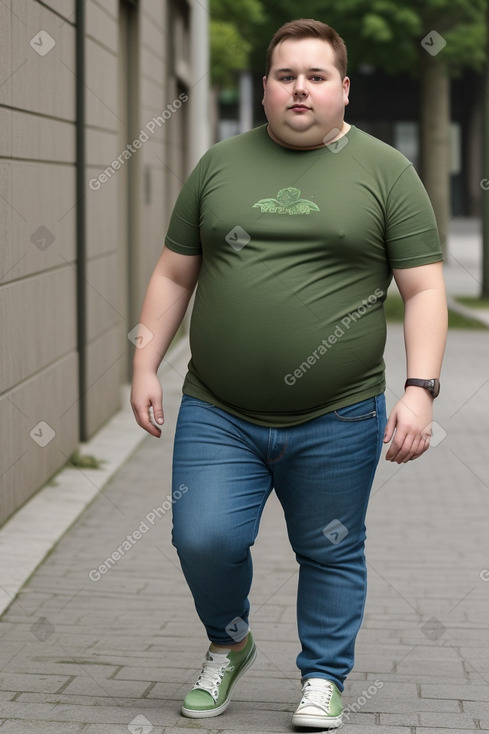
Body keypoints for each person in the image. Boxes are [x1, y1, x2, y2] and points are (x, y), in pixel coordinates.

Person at [130, 18, 447, 729]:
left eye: (313, 75)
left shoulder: (385, 172)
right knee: (202, 537)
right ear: (265, 89)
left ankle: (324, 677)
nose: (297, 87)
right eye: (284, 75)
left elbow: (423, 289)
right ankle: (228, 643)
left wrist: (418, 392)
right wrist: (143, 360)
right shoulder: (218, 165)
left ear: (341, 89)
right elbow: (174, 272)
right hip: (218, 409)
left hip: (340, 411)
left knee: (330, 549)